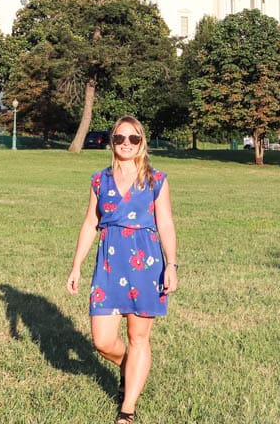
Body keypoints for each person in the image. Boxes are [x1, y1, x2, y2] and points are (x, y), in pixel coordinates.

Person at [67, 116, 178, 424]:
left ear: (142, 142)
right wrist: (76, 266)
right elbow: (91, 222)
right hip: (108, 264)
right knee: (102, 341)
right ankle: (130, 367)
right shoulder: (99, 180)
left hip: (146, 264)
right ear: (111, 142)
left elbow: (165, 223)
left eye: (133, 138)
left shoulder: (157, 180)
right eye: (119, 138)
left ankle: (127, 409)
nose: (126, 144)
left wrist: (171, 265)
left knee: (138, 336)